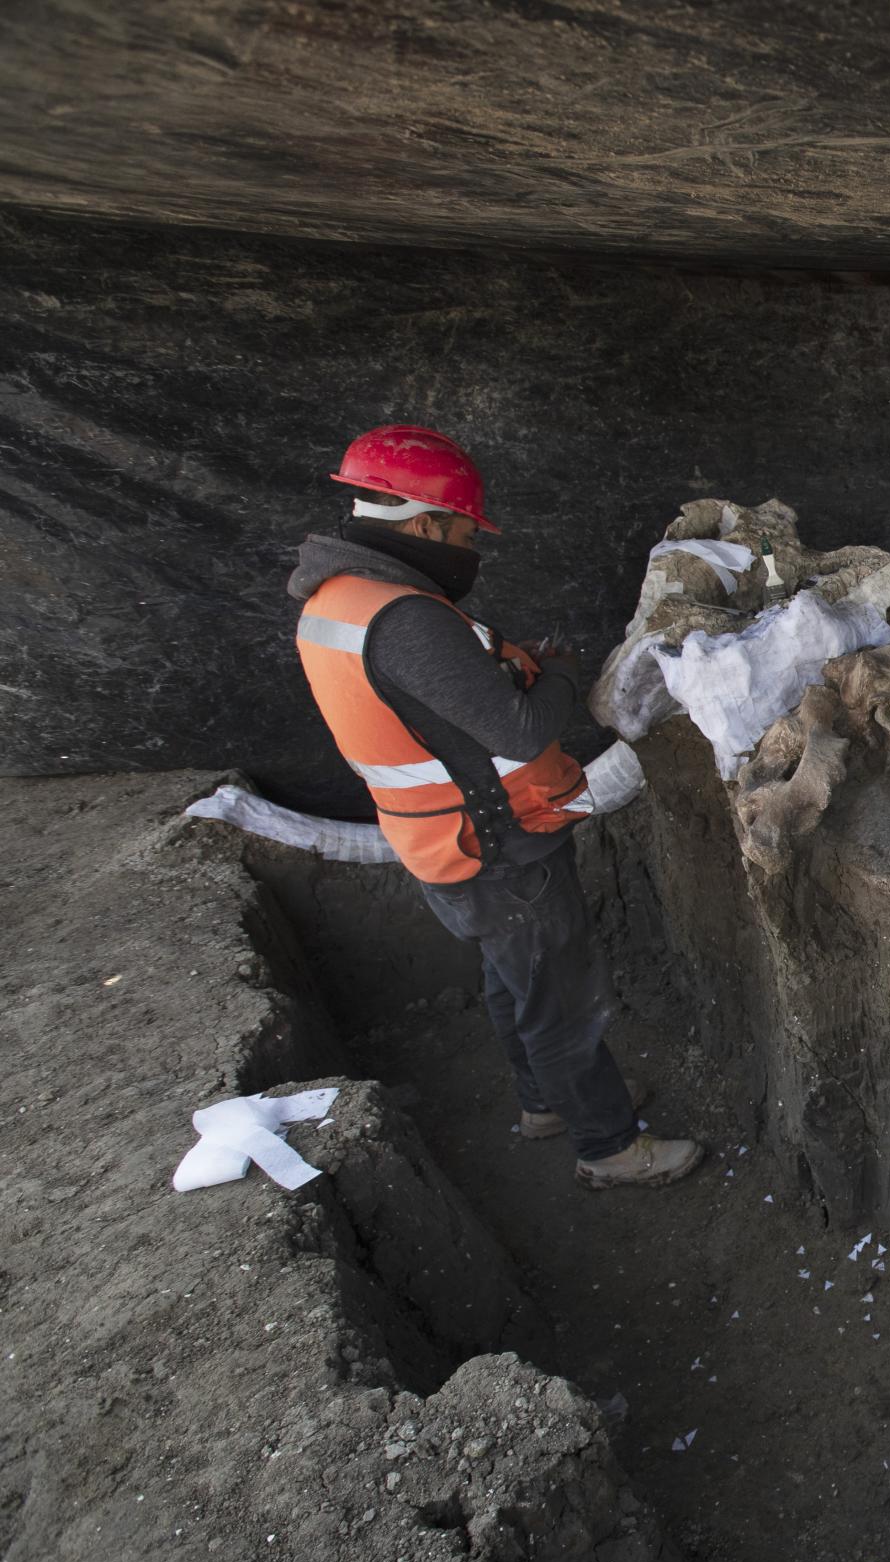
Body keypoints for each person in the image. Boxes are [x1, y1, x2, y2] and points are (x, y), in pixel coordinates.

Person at [289, 424, 703, 1190]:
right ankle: (609, 1146)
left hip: (443, 844)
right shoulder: (404, 618)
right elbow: (520, 727)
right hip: (499, 845)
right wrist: (553, 675)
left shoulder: (337, 601)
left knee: (514, 977)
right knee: (562, 1000)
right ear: (422, 524)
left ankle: (547, 1103)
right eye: (462, 531)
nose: (468, 546)